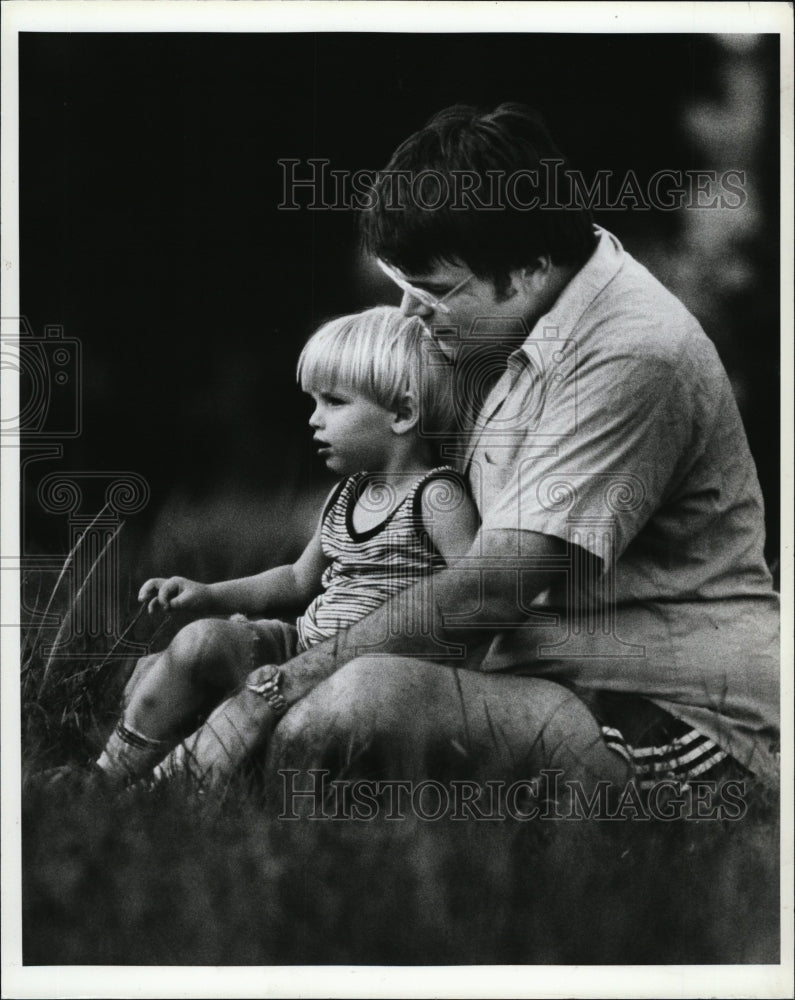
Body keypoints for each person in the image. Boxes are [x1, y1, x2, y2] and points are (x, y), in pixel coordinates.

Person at [130, 103, 780, 799]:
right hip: (520, 674)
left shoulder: (632, 356)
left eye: (432, 294)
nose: (409, 316)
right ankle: (169, 782)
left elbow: (489, 590)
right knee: (178, 666)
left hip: (660, 709)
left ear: (527, 269)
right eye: (404, 290)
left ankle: (206, 785)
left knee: (342, 712)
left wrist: (271, 688)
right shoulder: (496, 324)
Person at [93, 305, 478, 787]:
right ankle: (104, 775)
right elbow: (298, 580)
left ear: (402, 413)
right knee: (197, 642)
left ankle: (165, 790)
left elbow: (472, 594)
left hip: (366, 676)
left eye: (334, 402)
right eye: (314, 402)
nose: (314, 420)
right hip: (299, 649)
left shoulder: (437, 496)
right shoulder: (346, 496)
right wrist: (209, 594)